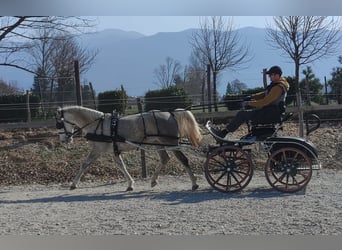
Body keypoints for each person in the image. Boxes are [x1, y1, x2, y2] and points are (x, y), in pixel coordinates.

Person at [211, 65, 290, 139]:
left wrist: (249, 103)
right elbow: (264, 94)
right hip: (268, 112)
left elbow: (264, 102)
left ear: (277, 75)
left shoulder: (278, 87)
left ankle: (223, 133)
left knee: (242, 114)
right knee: (244, 113)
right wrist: (251, 97)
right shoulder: (276, 85)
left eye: (271, 75)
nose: (269, 77)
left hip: (269, 114)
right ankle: (225, 133)